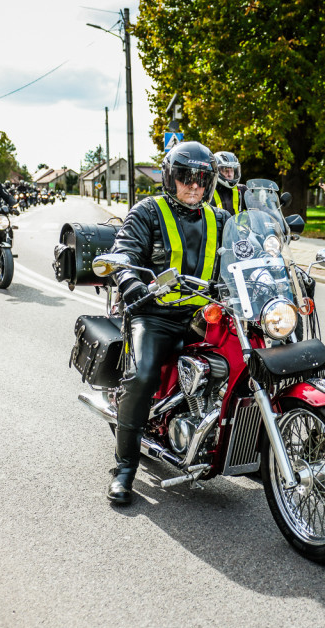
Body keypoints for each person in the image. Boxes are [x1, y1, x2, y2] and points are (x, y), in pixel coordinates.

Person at [106, 141, 232, 506]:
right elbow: (124, 253)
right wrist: (130, 282)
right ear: (169, 177)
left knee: (250, 355)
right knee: (143, 375)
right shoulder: (147, 211)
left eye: (201, 177)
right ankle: (125, 469)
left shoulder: (221, 218)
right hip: (155, 313)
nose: (193, 185)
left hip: (205, 315)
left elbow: (247, 252)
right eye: (185, 176)